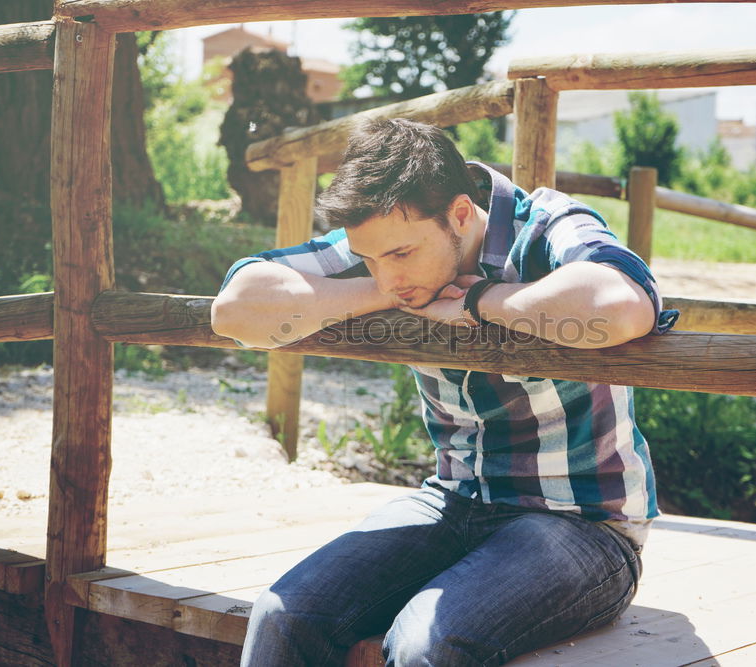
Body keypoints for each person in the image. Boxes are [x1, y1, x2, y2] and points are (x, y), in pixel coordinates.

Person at [211, 118, 678, 666]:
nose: (387, 275)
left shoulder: (549, 226)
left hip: (583, 526)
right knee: (282, 615)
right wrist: (384, 293)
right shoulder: (387, 232)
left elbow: (622, 304)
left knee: (424, 643)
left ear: (460, 214)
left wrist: (480, 301)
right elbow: (235, 309)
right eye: (369, 259)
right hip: (451, 499)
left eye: (402, 256)